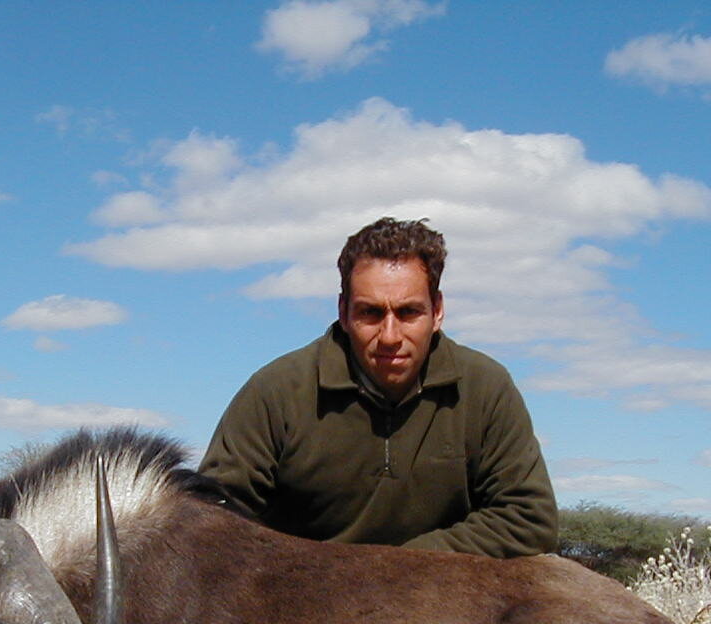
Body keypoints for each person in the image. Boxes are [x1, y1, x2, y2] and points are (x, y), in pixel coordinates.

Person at [198, 217, 557, 557]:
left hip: (442, 599)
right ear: (343, 311)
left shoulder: (485, 386)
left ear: (437, 310)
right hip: (307, 603)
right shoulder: (275, 390)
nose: (389, 336)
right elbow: (210, 520)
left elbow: (529, 518)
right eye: (370, 313)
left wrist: (395, 572)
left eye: (408, 313)